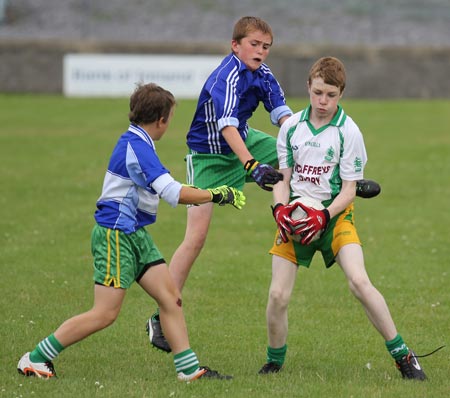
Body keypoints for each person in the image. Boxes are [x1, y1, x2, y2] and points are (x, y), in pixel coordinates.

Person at [147, 16, 381, 353]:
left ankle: (349, 183)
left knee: (292, 158)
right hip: (209, 158)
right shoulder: (225, 77)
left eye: (266, 46)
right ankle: (160, 316)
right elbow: (226, 126)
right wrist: (252, 165)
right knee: (195, 239)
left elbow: (287, 120)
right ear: (235, 45)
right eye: (254, 44)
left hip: (246, 142)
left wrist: (315, 149)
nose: (261, 51)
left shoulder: (264, 75)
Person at [17, 83, 245, 381]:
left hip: (134, 235)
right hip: (115, 237)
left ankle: (189, 371)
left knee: (170, 297)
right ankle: (35, 358)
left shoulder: (138, 141)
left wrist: (208, 193)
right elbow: (172, 192)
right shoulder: (136, 147)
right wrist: (216, 194)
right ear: (161, 120)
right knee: (105, 313)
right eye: (169, 119)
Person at [258, 56, 426, 380]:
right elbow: (283, 177)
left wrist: (323, 215)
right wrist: (280, 210)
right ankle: (274, 360)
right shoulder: (291, 127)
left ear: (341, 94)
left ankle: (404, 356)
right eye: (318, 92)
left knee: (359, 282)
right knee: (278, 295)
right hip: (295, 217)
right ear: (308, 87)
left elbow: (349, 190)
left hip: (334, 216)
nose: (323, 101)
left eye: (331, 95)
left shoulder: (349, 132)